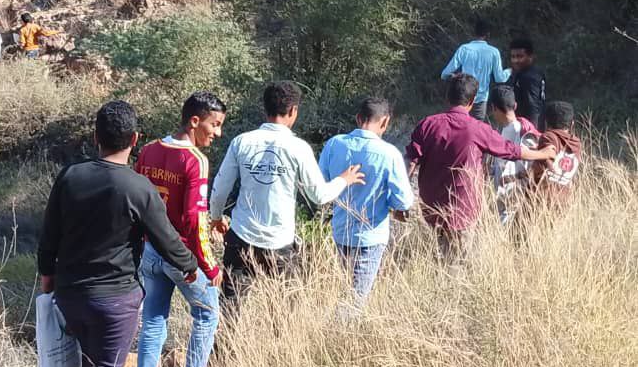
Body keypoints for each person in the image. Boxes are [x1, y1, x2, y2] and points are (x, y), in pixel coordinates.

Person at [37, 101, 199, 367]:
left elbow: (49, 234)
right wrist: (190, 266)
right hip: (115, 301)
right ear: (135, 139)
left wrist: (47, 278)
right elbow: (166, 239)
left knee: (93, 365)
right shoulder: (138, 188)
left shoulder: (70, 176)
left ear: (95, 137)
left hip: (70, 294)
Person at [209, 82, 365, 304]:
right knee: (283, 308)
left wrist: (216, 218)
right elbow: (319, 196)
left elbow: (220, 189)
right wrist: (343, 180)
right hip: (280, 242)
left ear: (265, 108)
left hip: (242, 237)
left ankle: (228, 330)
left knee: (230, 307)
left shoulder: (241, 142)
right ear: (293, 111)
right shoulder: (298, 148)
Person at [134, 92, 226, 367]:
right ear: (195, 121)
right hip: (181, 257)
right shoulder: (195, 160)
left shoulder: (148, 150)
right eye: (214, 125)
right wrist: (209, 266)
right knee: (207, 315)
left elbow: (138, 202)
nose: (218, 133)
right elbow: (194, 219)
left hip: (150, 251)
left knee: (152, 322)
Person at [406, 74, 555, 263]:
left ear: (447, 97)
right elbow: (511, 151)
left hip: (431, 208)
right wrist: (542, 154)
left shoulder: (427, 124)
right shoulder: (478, 129)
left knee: (441, 252)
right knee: (457, 262)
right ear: (473, 100)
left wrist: (401, 201)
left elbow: (410, 162)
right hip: (463, 208)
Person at [319, 97, 414, 303]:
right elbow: (404, 201)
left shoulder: (334, 144)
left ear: (358, 118)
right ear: (385, 122)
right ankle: (344, 324)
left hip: (340, 231)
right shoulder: (389, 154)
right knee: (356, 300)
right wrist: (390, 205)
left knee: (345, 291)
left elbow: (322, 184)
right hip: (370, 236)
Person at [488, 84, 540, 226]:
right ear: (515, 105)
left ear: (493, 108)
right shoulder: (524, 130)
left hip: (513, 199)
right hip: (512, 198)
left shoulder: (519, 132)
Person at [441, 19, 509, 121]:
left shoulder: (464, 49)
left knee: (460, 125)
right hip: (481, 99)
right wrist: (510, 71)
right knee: (477, 127)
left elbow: (445, 74)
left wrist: (455, 77)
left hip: (463, 97)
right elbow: (500, 78)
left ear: (474, 33)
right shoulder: (494, 52)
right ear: (488, 34)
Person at [530, 101, 582, 207]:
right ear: (572, 124)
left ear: (546, 122)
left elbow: (546, 161)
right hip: (565, 199)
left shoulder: (548, 137)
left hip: (542, 199)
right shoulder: (576, 143)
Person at [507, 37, 546, 130]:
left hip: (528, 128)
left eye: (520, 56)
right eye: (513, 57)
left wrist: (532, 132)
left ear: (530, 57)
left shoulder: (528, 77)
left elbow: (533, 107)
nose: (515, 60)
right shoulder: (535, 72)